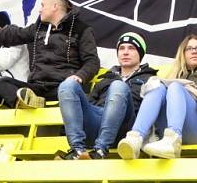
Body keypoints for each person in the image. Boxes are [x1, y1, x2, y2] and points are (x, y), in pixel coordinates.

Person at [0, 0, 100, 108]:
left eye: (42, 5)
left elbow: (92, 61)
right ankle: (27, 104)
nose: (40, 10)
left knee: (69, 92)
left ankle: (35, 107)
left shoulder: (82, 29)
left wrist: (80, 76)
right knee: (1, 82)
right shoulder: (37, 28)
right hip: (37, 88)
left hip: (63, 87)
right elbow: (8, 35)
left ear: (55, 6)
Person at [117, 35, 197, 160]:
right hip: (166, 131)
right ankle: (135, 138)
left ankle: (172, 139)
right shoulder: (173, 74)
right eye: (189, 49)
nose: (194, 51)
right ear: (183, 54)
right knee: (158, 87)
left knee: (176, 86)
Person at [57, 32, 157, 160]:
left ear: (140, 53)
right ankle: (77, 150)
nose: (125, 52)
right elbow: (88, 104)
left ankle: (100, 150)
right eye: (121, 48)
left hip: (126, 128)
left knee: (118, 86)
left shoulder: (150, 78)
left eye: (131, 48)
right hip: (97, 124)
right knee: (68, 84)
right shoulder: (105, 78)